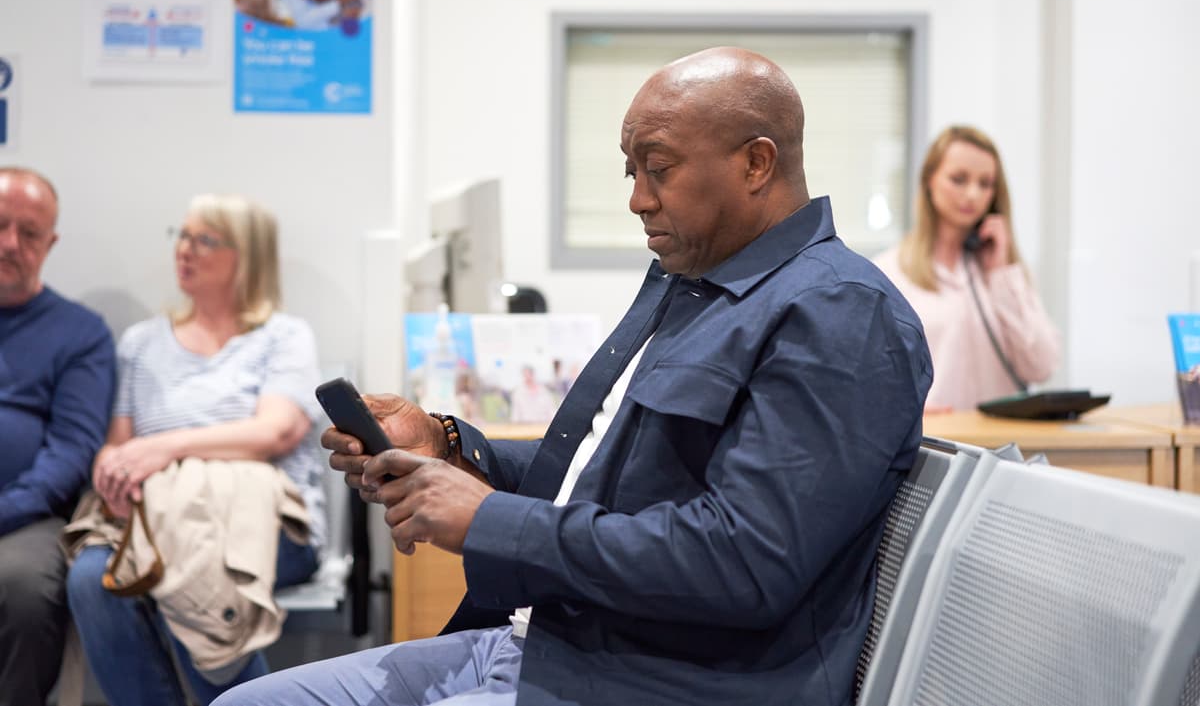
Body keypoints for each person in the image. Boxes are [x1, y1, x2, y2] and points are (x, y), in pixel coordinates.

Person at [214, 47, 932, 706]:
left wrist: (489, 519)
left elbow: (746, 562)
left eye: (660, 167)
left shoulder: (840, 313)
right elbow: (594, 478)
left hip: (660, 680)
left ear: (756, 163)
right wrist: (448, 448)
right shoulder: (688, 284)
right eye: (631, 171)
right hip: (547, 642)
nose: (638, 199)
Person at [65, 194, 327, 706]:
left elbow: (274, 432)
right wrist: (114, 478)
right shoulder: (141, 344)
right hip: (157, 517)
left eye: (204, 240)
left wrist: (162, 449)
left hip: (264, 525)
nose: (185, 250)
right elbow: (116, 448)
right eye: (182, 236)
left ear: (246, 256)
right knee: (92, 576)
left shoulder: (283, 337)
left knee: (187, 563)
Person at [0, 167, 116, 706]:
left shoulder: (80, 333)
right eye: (0, 226)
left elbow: (71, 452)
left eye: (28, 233)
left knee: (22, 587)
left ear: (51, 243)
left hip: (30, 518)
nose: (9, 244)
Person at [873, 125, 1059, 412]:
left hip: (1003, 446)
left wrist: (1001, 275)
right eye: (959, 179)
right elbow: (869, 376)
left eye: (985, 183)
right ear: (929, 181)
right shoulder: (889, 271)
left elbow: (1042, 366)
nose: (973, 194)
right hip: (933, 443)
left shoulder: (1006, 273)